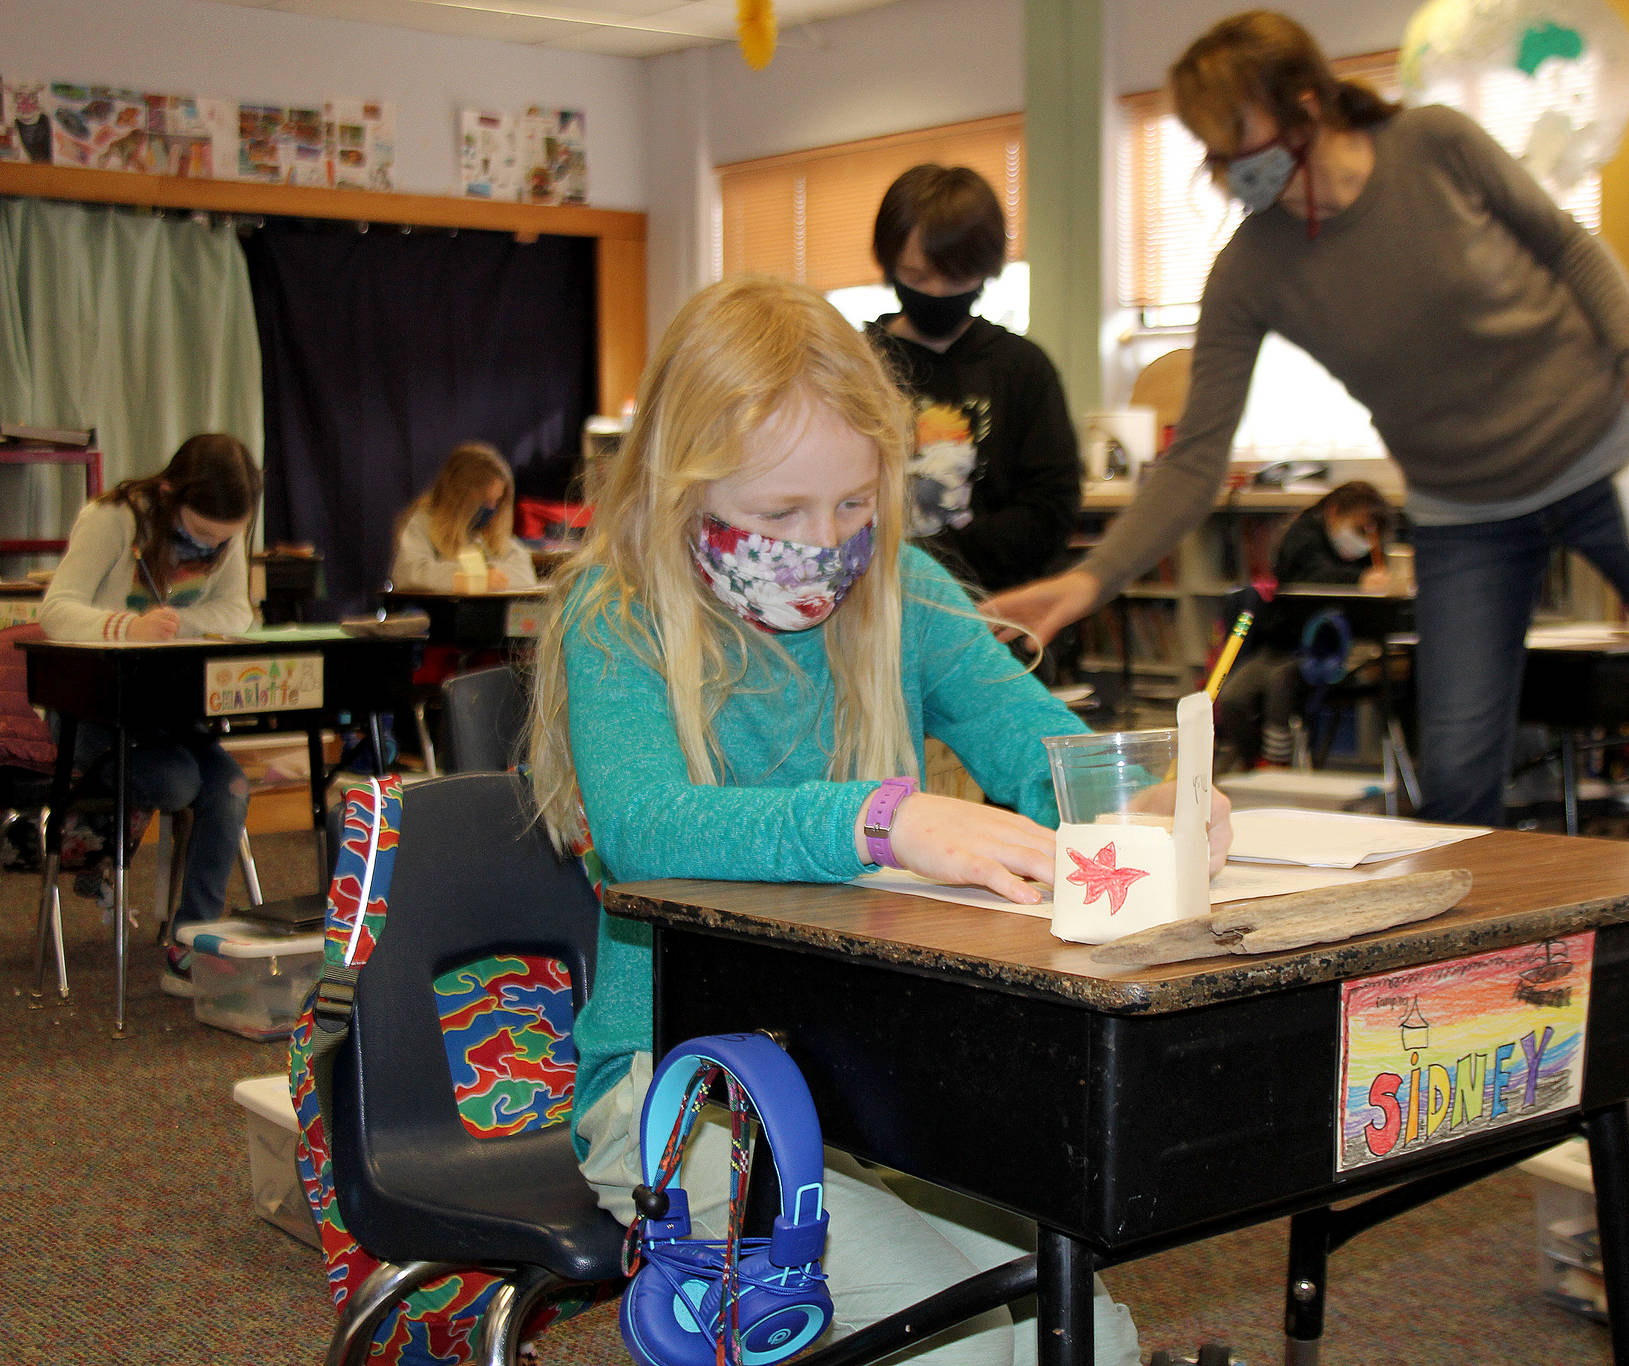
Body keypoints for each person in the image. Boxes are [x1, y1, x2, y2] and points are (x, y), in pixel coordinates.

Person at [527, 276, 1230, 1363]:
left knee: (1077, 1334)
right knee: (966, 1345)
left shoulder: (903, 588)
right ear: (681, 486)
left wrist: (1141, 805)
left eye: (855, 504)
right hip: (684, 1089)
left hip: (876, 1079)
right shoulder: (617, 613)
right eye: (778, 514)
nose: (826, 543)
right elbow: (645, 829)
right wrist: (880, 820)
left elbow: (1036, 745)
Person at [983, 10, 1629, 830]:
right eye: (1213, 148)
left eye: (1241, 136)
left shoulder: (1436, 145)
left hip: (1607, 459)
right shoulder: (1251, 269)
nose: (1232, 166)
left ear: (1307, 101)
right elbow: (1197, 459)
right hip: (1468, 514)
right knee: (1455, 780)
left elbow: (1567, 246)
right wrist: (1092, 580)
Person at [39, 432, 261, 995]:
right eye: (202, 532)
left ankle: (193, 945)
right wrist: (127, 628)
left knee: (230, 787)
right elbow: (57, 611)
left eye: (225, 538)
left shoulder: (225, 532)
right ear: (168, 493)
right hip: (91, 714)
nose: (212, 546)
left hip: (166, 715)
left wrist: (174, 623)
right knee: (180, 780)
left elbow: (237, 611)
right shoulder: (112, 518)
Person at [866, 164, 1083, 593]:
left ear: (986, 269)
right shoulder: (855, 366)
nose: (939, 293)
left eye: (958, 278)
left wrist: (936, 564)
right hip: (880, 609)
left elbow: (1050, 510)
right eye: (917, 277)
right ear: (890, 265)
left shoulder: (1023, 368)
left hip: (998, 609)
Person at [1215, 480, 1391, 769]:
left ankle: (1276, 763)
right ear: (1333, 512)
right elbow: (1310, 573)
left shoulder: (1369, 553)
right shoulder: (1301, 536)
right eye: (1358, 530)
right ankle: (1253, 763)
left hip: (1329, 653)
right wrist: (1358, 581)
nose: (1363, 541)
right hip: (1281, 643)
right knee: (1233, 697)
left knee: (1281, 685)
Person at [389, 440, 537, 593]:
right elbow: (409, 574)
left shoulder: (492, 534)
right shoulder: (423, 524)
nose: (492, 509)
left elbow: (525, 576)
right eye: (485, 501)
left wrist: (486, 576)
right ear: (459, 497)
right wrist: (474, 579)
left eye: (498, 501)